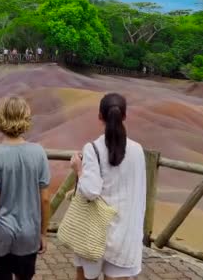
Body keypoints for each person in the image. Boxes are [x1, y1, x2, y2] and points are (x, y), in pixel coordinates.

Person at [69, 93, 146, 280]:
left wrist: (78, 169)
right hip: (125, 233)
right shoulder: (137, 150)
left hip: (94, 230)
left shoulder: (92, 149)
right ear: (125, 117)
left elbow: (90, 191)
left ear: (100, 116)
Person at [0, 96, 51, 280]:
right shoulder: (39, 153)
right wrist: (43, 233)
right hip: (30, 233)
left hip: (2, 233)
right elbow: (45, 199)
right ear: (26, 118)